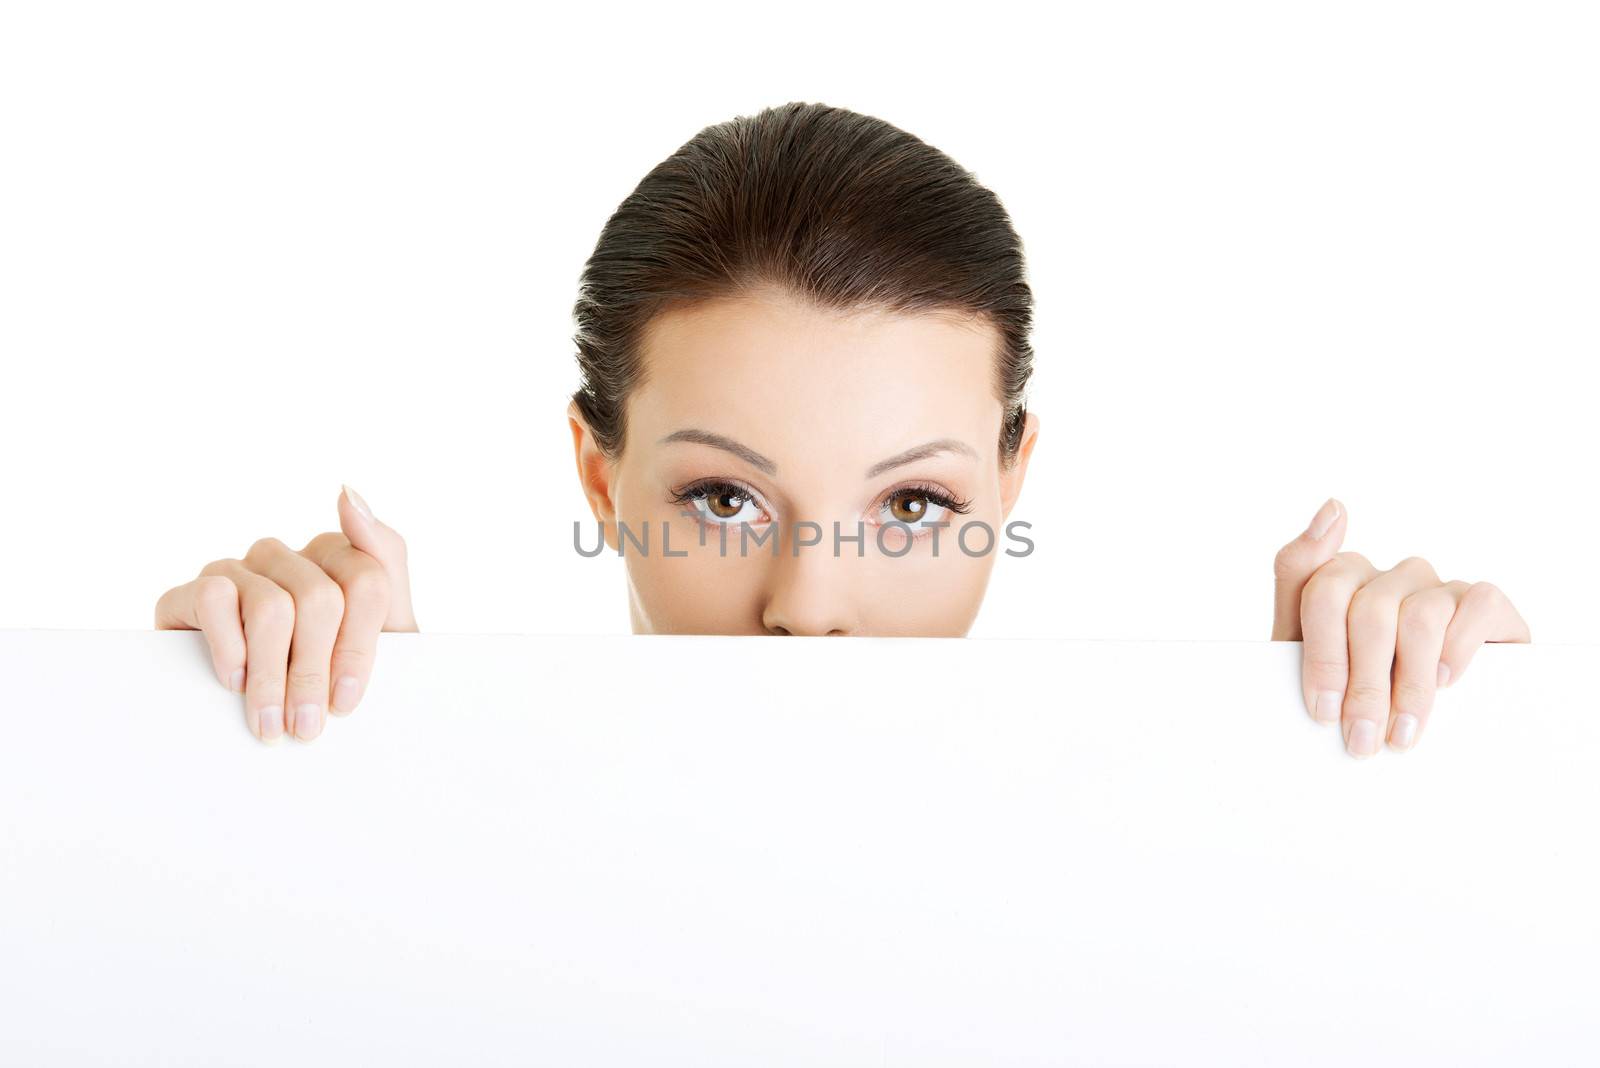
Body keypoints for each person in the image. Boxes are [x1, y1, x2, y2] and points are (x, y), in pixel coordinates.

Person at [152, 101, 1531, 755]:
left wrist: (1399, 773)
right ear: (598, 468)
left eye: (914, 506)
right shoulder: (404, 843)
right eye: (725, 499)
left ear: (1012, 477)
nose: (809, 610)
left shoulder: (1181, 879)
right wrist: (329, 767)